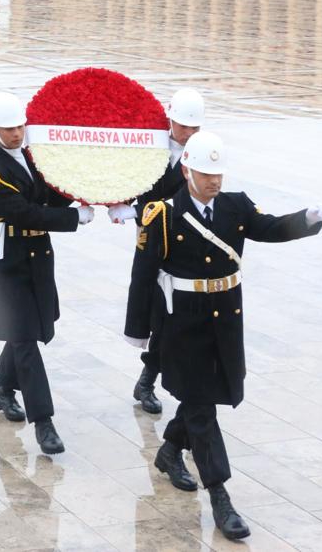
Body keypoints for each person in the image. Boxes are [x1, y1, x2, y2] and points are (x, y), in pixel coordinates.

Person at [124, 130, 322, 540]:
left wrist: (307, 219)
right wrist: (139, 332)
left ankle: (169, 452)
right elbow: (143, 274)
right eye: (205, 173)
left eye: (218, 173)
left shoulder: (235, 206)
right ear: (186, 170)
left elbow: (269, 228)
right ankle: (220, 496)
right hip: (182, 322)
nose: (213, 181)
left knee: (208, 394)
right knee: (201, 407)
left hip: (224, 319)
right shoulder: (163, 214)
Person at [0, 92, 94, 455]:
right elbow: (26, 213)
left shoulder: (32, 158)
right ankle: (43, 422)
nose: (16, 134)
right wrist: (73, 219)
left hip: (39, 258)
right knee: (27, 341)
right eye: (8, 128)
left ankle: (3, 387)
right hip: (11, 262)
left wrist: (84, 195)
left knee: (28, 332)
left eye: (19, 127)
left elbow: (49, 196)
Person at [109, 87, 205, 414]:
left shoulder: (203, 154)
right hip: (152, 239)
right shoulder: (148, 146)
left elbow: (188, 201)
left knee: (172, 313)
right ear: (169, 119)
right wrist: (118, 200)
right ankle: (148, 379)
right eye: (183, 126)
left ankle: (148, 379)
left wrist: (135, 210)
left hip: (185, 240)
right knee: (154, 310)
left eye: (195, 128)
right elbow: (128, 177)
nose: (189, 134)